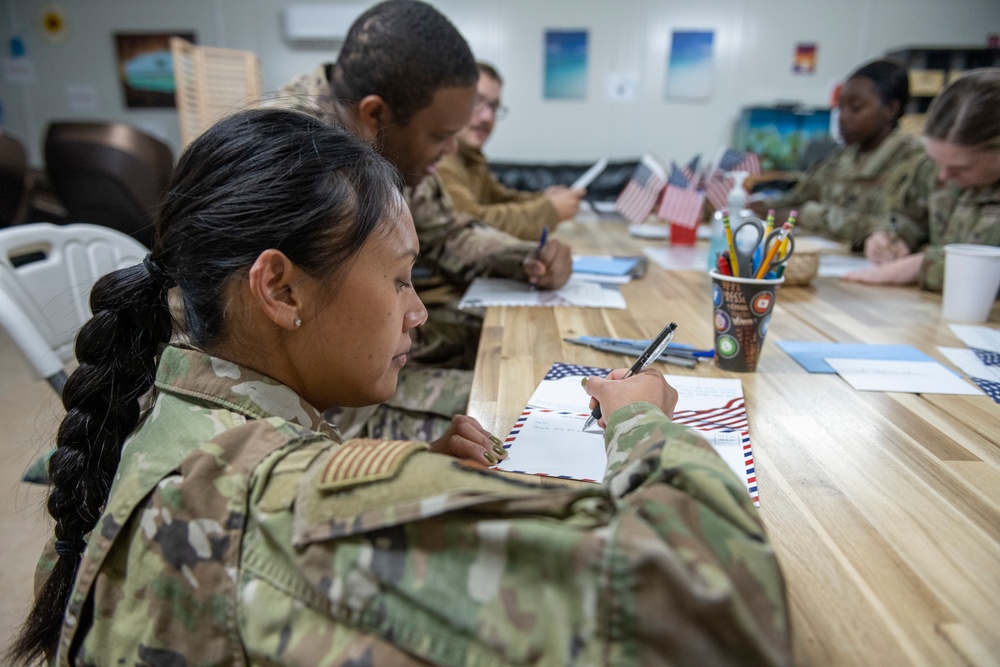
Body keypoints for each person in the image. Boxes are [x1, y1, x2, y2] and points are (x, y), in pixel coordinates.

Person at [8, 108, 791, 666]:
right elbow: (720, 612)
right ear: (279, 289)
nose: (417, 312)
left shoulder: (148, 396)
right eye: (399, 279)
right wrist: (643, 423)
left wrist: (425, 493)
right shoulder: (282, 503)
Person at [264, 0, 572, 441]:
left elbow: (442, 231)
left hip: (346, 359)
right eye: (440, 136)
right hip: (289, 407)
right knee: (514, 408)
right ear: (375, 115)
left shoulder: (382, 141)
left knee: (519, 369)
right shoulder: (287, 160)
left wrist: (526, 258)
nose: (450, 152)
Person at [846, 68, 1000, 291]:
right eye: (937, 162)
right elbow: (907, 217)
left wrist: (925, 266)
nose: (943, 176)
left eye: (960, 168)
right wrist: (890, 239)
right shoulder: (932, 168)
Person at [756, 59, 926, 251]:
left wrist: (811, 216)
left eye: (855, 108)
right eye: (840, 108)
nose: (843, 118)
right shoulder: (840, 158)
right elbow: (798, 197)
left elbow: (903, 229)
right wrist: (758, 205)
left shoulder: (916, 163)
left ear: (891, 109)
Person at [436, 62, 585, 240]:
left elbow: (500, 197)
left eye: (493, 106)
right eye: (477, 101)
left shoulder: (471, 158)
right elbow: (469, 223)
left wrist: (543, 199)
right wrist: (549, 211)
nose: (487, 117)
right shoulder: (439, 161)